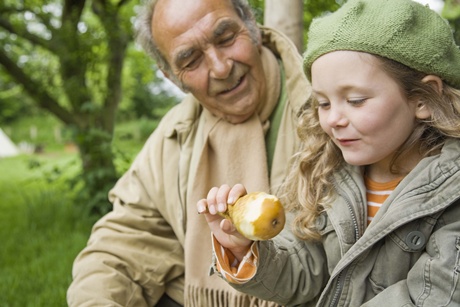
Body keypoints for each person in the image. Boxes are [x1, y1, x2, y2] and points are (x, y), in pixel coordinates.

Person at [198, 0, 460, 306]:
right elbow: (306, 270)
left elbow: (435, 296)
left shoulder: (452, 192)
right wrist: (245, 250)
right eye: (323, 103)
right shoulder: (326, 172)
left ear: (422, 99)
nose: (333, 119)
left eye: (356, 99)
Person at [66, 0, 310, 305]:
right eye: (191, 60)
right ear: (171, 76)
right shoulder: (175, 133)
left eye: (226, 38)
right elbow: (123, 243)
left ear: (250, 24)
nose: (221, 67)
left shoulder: (327, 108)